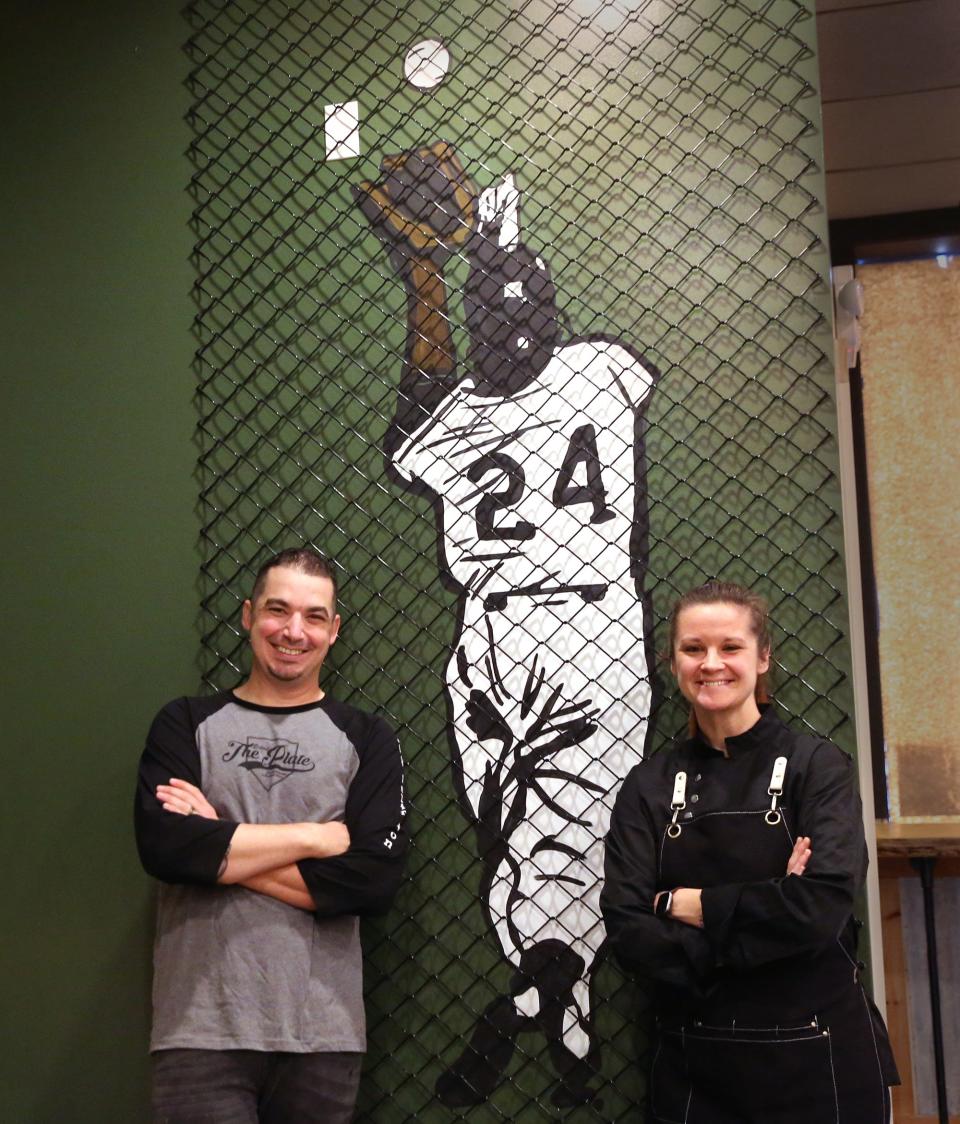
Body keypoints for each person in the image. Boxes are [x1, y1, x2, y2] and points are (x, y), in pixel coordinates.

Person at [600, 580, 899, 1123]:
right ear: (673, 663)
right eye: (694, 649)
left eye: (730, 647)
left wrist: (685, 906)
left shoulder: (818, 767)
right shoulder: (646, 787)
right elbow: (627, 930)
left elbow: (820, 907)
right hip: (696, 1069)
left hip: (821, 1062)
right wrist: (770, 901)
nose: (711, 663)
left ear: (763, 659)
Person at [135, 547, 407, 1124]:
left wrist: (216, 839)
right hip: (198, 1031)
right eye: (277, 611)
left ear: (333, 631)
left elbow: (370, 883)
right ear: (247, 614)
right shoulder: (184, 723)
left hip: (323, 1038)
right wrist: (315, 837)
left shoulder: (367, 738)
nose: (293, 631)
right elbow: (166, 848)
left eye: (313, 617)